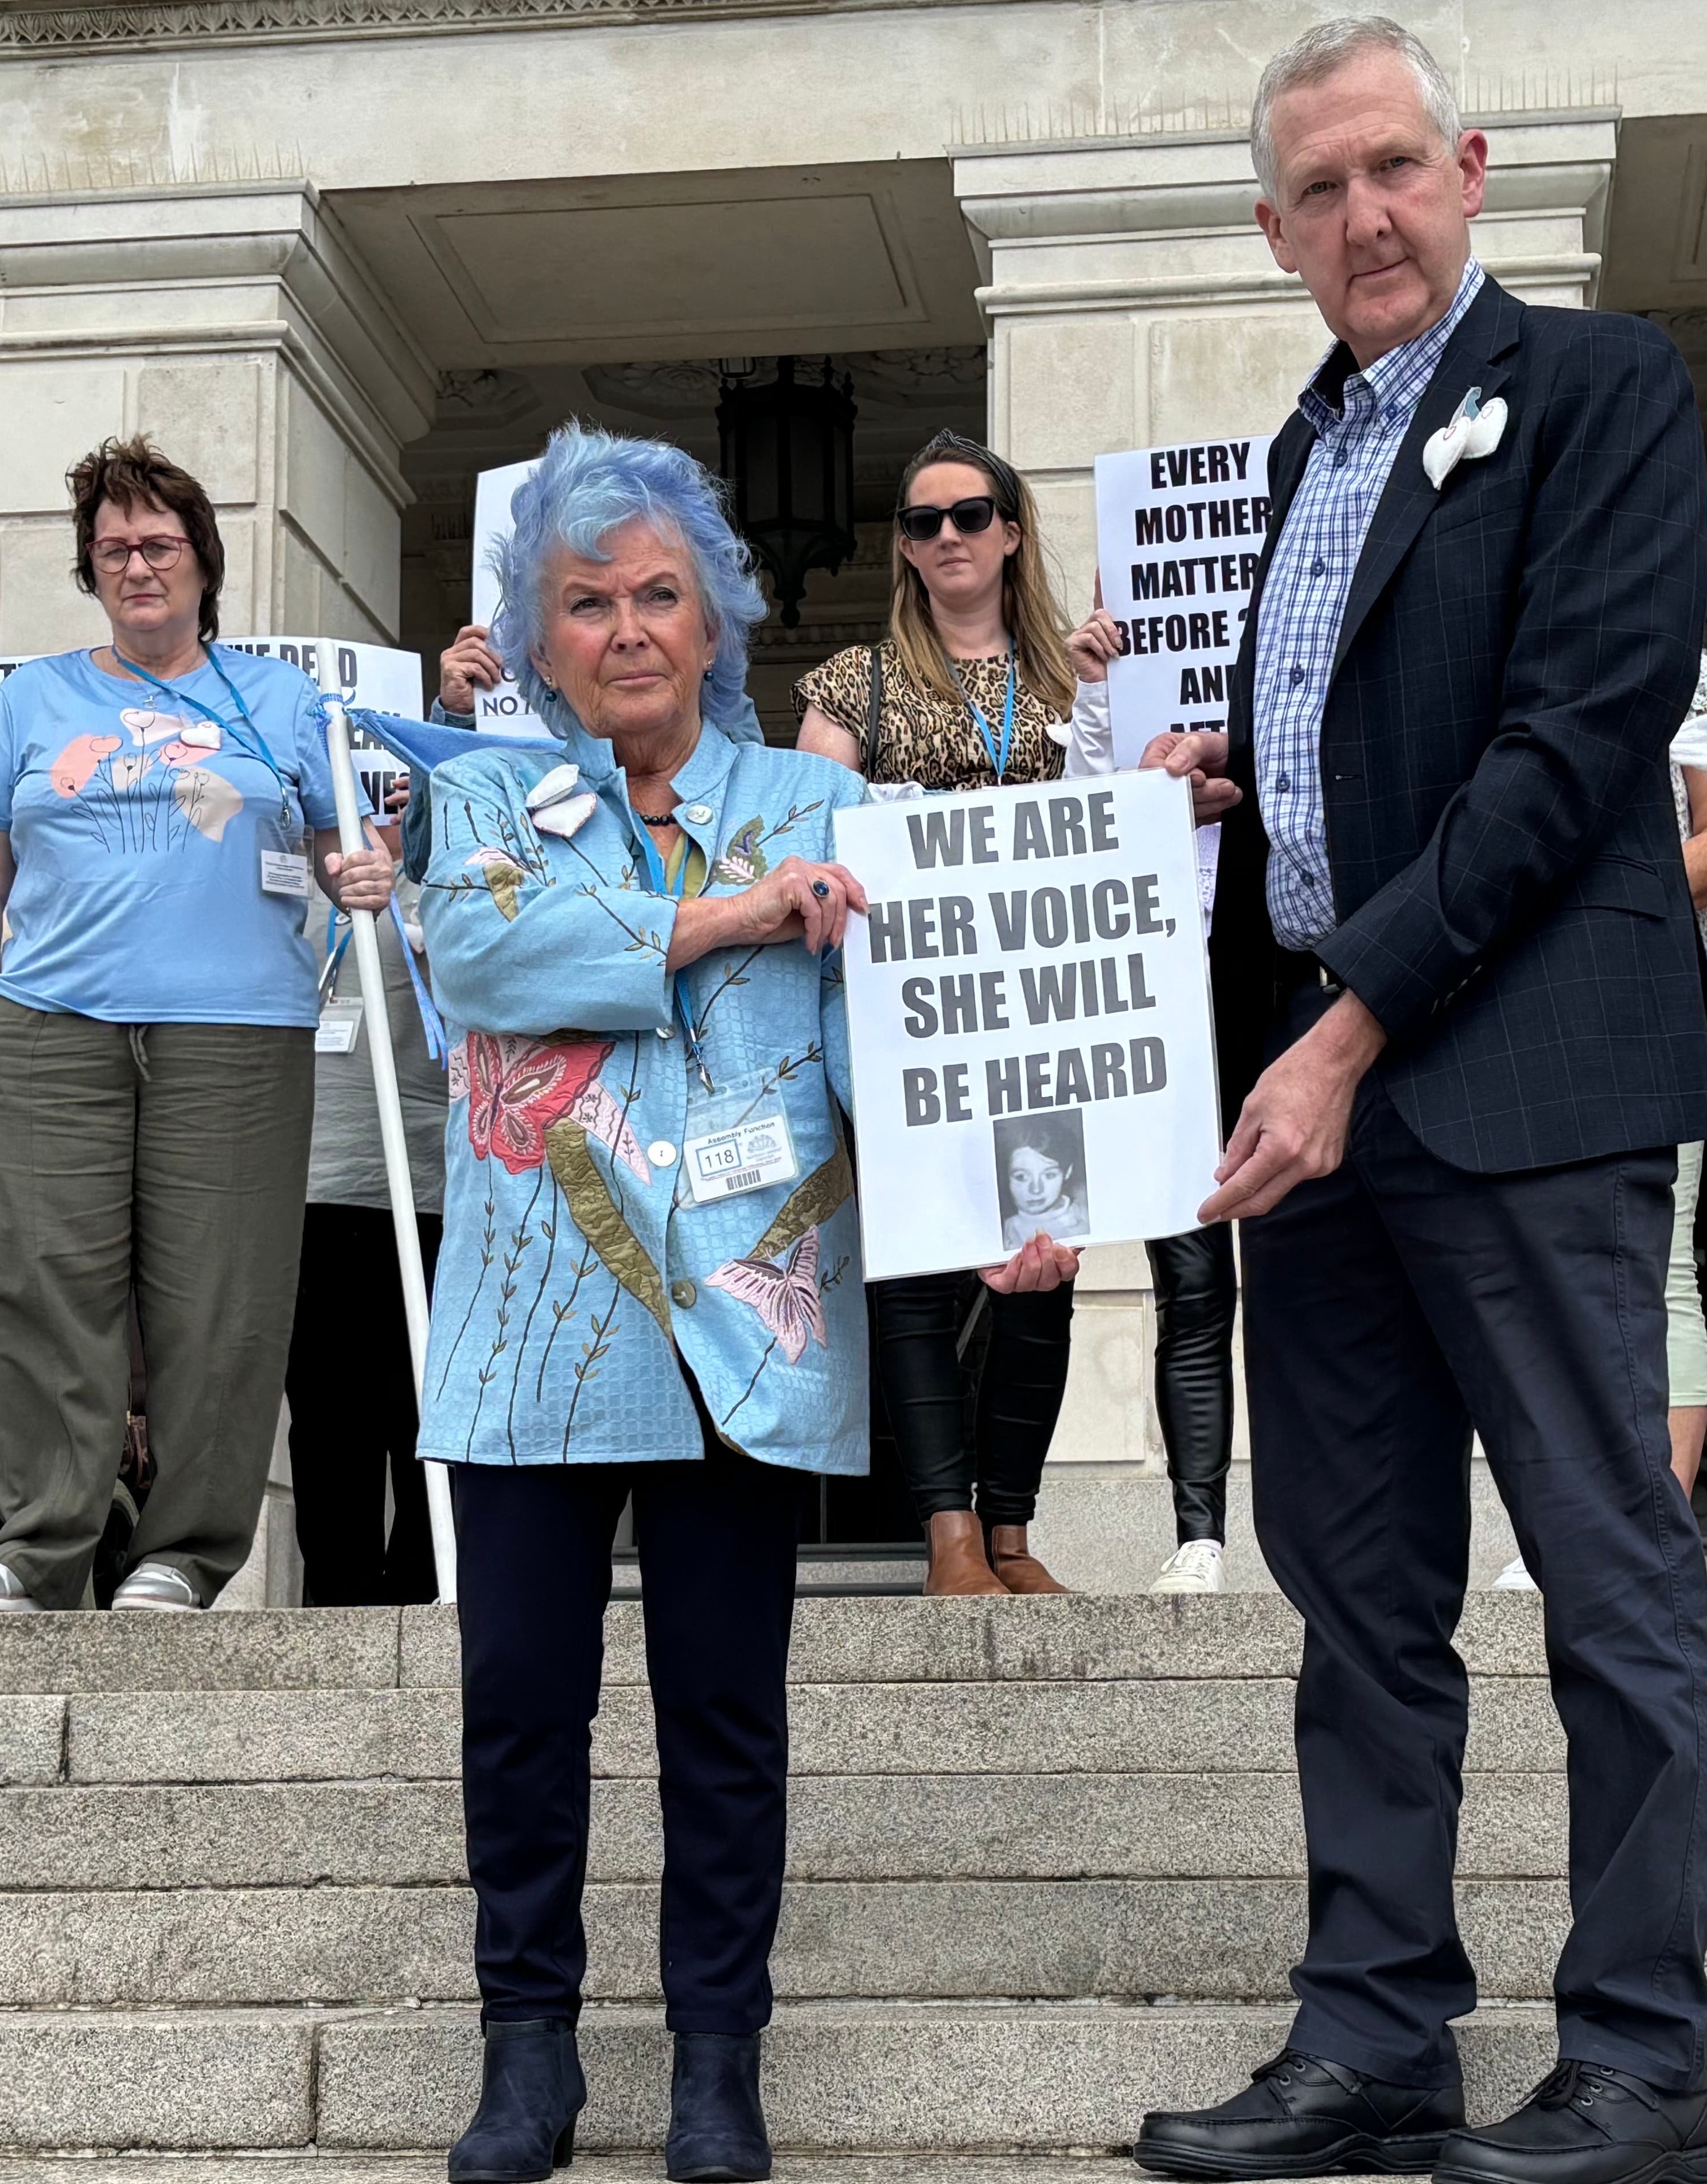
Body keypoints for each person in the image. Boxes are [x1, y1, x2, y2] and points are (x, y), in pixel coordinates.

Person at [1133, 21, 1707, 2183]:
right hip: (1321, 1111)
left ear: (1470, 170)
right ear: (1273, 228)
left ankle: (1645, 2070)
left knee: (1608, 1577)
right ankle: (1374, 2039)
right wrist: (1222, 792)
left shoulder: (1601, 390)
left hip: (1513, 1081)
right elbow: (1361, 761)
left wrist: (1348, 1019)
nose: (1367, 215)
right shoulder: (1303, 454)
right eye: (1322, 189)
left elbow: (1569, 747)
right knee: (1357, 1595)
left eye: (1397, 168)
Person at [410, 419, 1077, 2184]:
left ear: (715, 624)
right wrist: (720, 925)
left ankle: (718, 2061)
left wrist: (1013, 1200)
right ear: (535, 634)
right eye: (583, 603)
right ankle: (524, 2056)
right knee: (517, 1705)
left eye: (657, 597)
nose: (625, 629)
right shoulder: (479, 794)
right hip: (527, 1336)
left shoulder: (819, 804)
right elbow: (483, 959)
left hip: (746, 1340)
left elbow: (897, 1036)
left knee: (726, 1711)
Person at [0, 434, 395, 1613]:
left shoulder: (279, 696)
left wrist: (362, 865)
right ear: (91, 568)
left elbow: (347, 835)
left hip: (235, 1029)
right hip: (52, 1024)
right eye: (114, 547)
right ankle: (37, 1548)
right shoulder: (35, 694)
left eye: (160, 543)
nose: (138, 565)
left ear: (203, 560)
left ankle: (183, 1553)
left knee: (221, 1301)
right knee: (44, 1286)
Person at [793, 430, 1089, 1596]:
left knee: (1045, 1256)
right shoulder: (853, 684)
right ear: (907, 550)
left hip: (1047, 1012)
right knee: (916, 1260)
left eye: (971, 515)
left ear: (1012, 529)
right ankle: (947, 1531)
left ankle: (1012, 1530)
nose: (949, 537)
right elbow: (810, 835)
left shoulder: (1076, 680)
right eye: (924, 522)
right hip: (907, 1015)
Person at [1492, 657, 1707, 1595]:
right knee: (1538, 1271)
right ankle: (1562, 1527)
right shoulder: (1499, 639)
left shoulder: (1692, 675)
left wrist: (1577, 904)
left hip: (1647, 998)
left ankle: (1652, 1525)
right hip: (1514, 1013)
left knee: (1656, 1263)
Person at [1057, 618, 1242, 1594]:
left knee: (1318, 1279)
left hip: (1273, 991)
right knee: (1194, 1279)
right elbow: (1082, 821)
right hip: (1161, 1010)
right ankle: (1199, 1530)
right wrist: (1096, 688)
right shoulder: (1112, 698)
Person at [284, 763, 448, 1607]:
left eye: (392, 793)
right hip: (316, 1188)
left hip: (435, 1192)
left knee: (425, 1420)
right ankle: (339, 1607)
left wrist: (412, 879)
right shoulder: (297, 885)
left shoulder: (441, 873)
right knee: (328, 1421)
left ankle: (428, 1599)